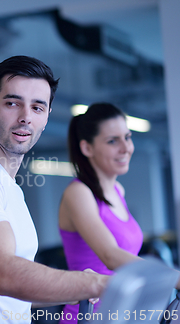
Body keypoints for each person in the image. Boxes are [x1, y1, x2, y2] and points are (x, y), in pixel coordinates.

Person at [0, 56, 108, 324]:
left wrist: (71, 287)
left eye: (37, 108)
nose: (25, 117)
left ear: (47, 117)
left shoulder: (8, 186)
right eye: (13, 103)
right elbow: (4, 275)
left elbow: (13, 291)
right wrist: (90, 282)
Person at [58, 102, 180, 323]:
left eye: (128, 137)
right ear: (87, 148)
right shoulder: (78, 193)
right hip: (89, 316)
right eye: (113, 141)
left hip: (125, 314)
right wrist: (172, 277)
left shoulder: (118, 192)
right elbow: (110, 256)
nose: (126, 148)